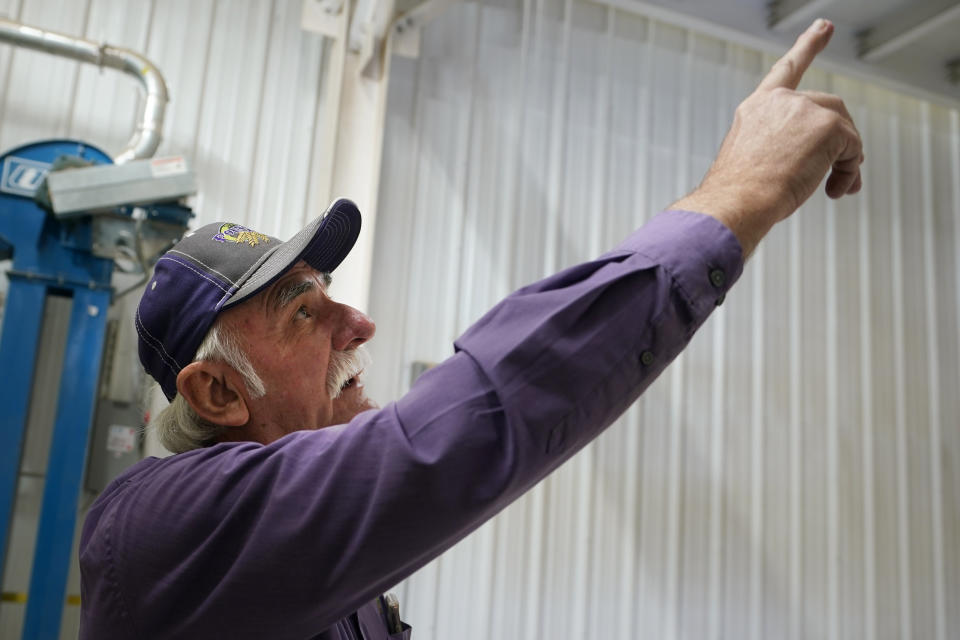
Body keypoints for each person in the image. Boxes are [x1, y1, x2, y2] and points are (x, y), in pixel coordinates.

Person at [79, 19, 862, 639]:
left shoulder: (302, 546)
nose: (359, 322)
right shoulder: (166, 528)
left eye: (331, 295)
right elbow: (471, 426)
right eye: (304, 313)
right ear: (216, 391)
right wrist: (743, 191)